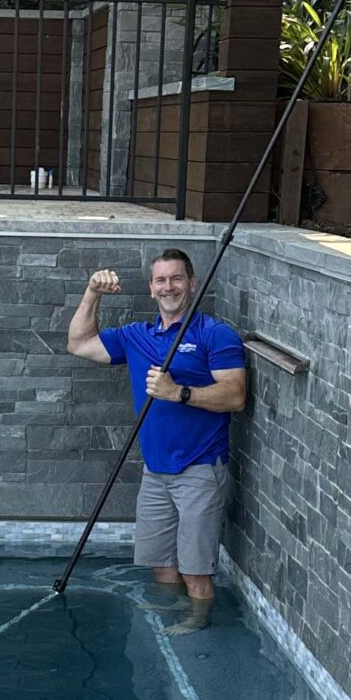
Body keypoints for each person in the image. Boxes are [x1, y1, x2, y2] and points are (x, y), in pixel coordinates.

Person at [65, 249, 247, 628]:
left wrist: (179, 392)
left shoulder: (214, 334)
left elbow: (235, 395)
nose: (169, 287)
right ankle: (170, 618)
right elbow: (79, 344)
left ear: (192, 283)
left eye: (177, 278)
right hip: (155, 470)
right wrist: (92, 292)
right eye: (161, 280)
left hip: (199, 467)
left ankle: (199, 627)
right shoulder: (136, 336)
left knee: (196, 571)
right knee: (162, 565)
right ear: (151, 289)